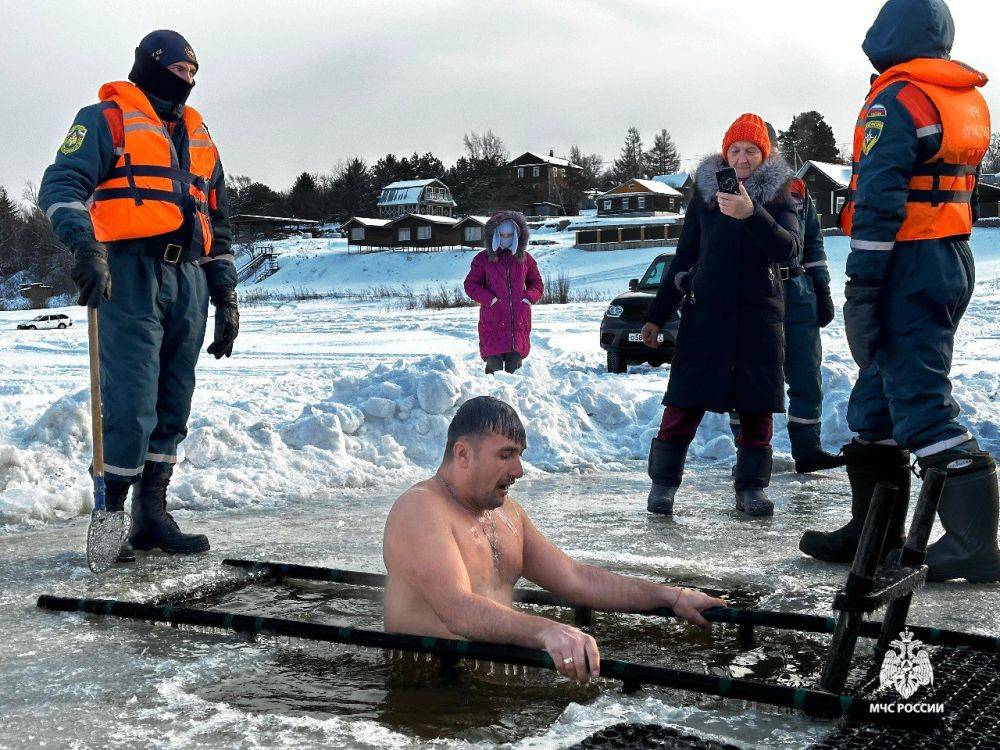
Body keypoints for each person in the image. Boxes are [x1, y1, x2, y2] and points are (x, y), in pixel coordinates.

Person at [799, 0, 999, 582]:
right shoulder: (962, 96)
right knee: (876, 400)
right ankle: (874, 531)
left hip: (907, 263)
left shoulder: (896, 99)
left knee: (920, 403)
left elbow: (881, 201)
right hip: (950, 256)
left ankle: (972, 542)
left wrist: (863, 285)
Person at [39, 30, 238, 559]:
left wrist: (226, 296)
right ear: (151, 66)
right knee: (130, 400)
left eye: (194, 74)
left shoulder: (198, 134)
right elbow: (60, 187)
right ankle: (110, 517)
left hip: (188, 278)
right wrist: (86, 248)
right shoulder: (104, 118)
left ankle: (152, 514)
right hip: (128, 273)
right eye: (179, 71)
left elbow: (216, 217)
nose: (187, 82)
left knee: (174, 400)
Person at [383, 396, 725, 684]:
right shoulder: (422, 509)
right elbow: (457, 609)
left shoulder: (507, 513)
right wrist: (547, 631)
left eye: (520, 455)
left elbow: (574, 579)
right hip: (427, 683)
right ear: (462, 454)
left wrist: (670, 596)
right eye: (505, 455)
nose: (519, 470)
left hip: (489, 675)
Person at [641, 114, 800, 518]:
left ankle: (750, 489)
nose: (742, 158)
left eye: (751, 150)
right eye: (735, 150)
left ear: (763, 155)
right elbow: (684, 255)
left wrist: (752, 214)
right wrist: (657, 316)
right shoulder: (705, 197)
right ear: (725, 153)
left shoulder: (780, 195)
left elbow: (789, 249)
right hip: (706, 315)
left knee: (755, 409)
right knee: (683, 403)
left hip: (758, 319)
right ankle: (663, 487)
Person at [730, 124, 842, 474]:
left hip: (798, 295)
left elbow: (813, 246)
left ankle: (808, 450)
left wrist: (821, 289)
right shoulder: (730, 191)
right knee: (747, 379)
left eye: (764, 149)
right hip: (754, 297)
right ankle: (746, 454)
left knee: (807, 375)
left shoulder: (796, 190)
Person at [463, 211, 543, 375]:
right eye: (502, 234)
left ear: (518, 235)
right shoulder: (483, 259)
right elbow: (471, 284)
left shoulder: (526, 259)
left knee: (516, 374)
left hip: (518, 323)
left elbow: (537, 284)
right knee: (493, 372)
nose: (505, 238)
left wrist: (528, 298)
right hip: (493, 323)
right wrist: (490, 300)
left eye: (510, 234)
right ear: (494, 234)